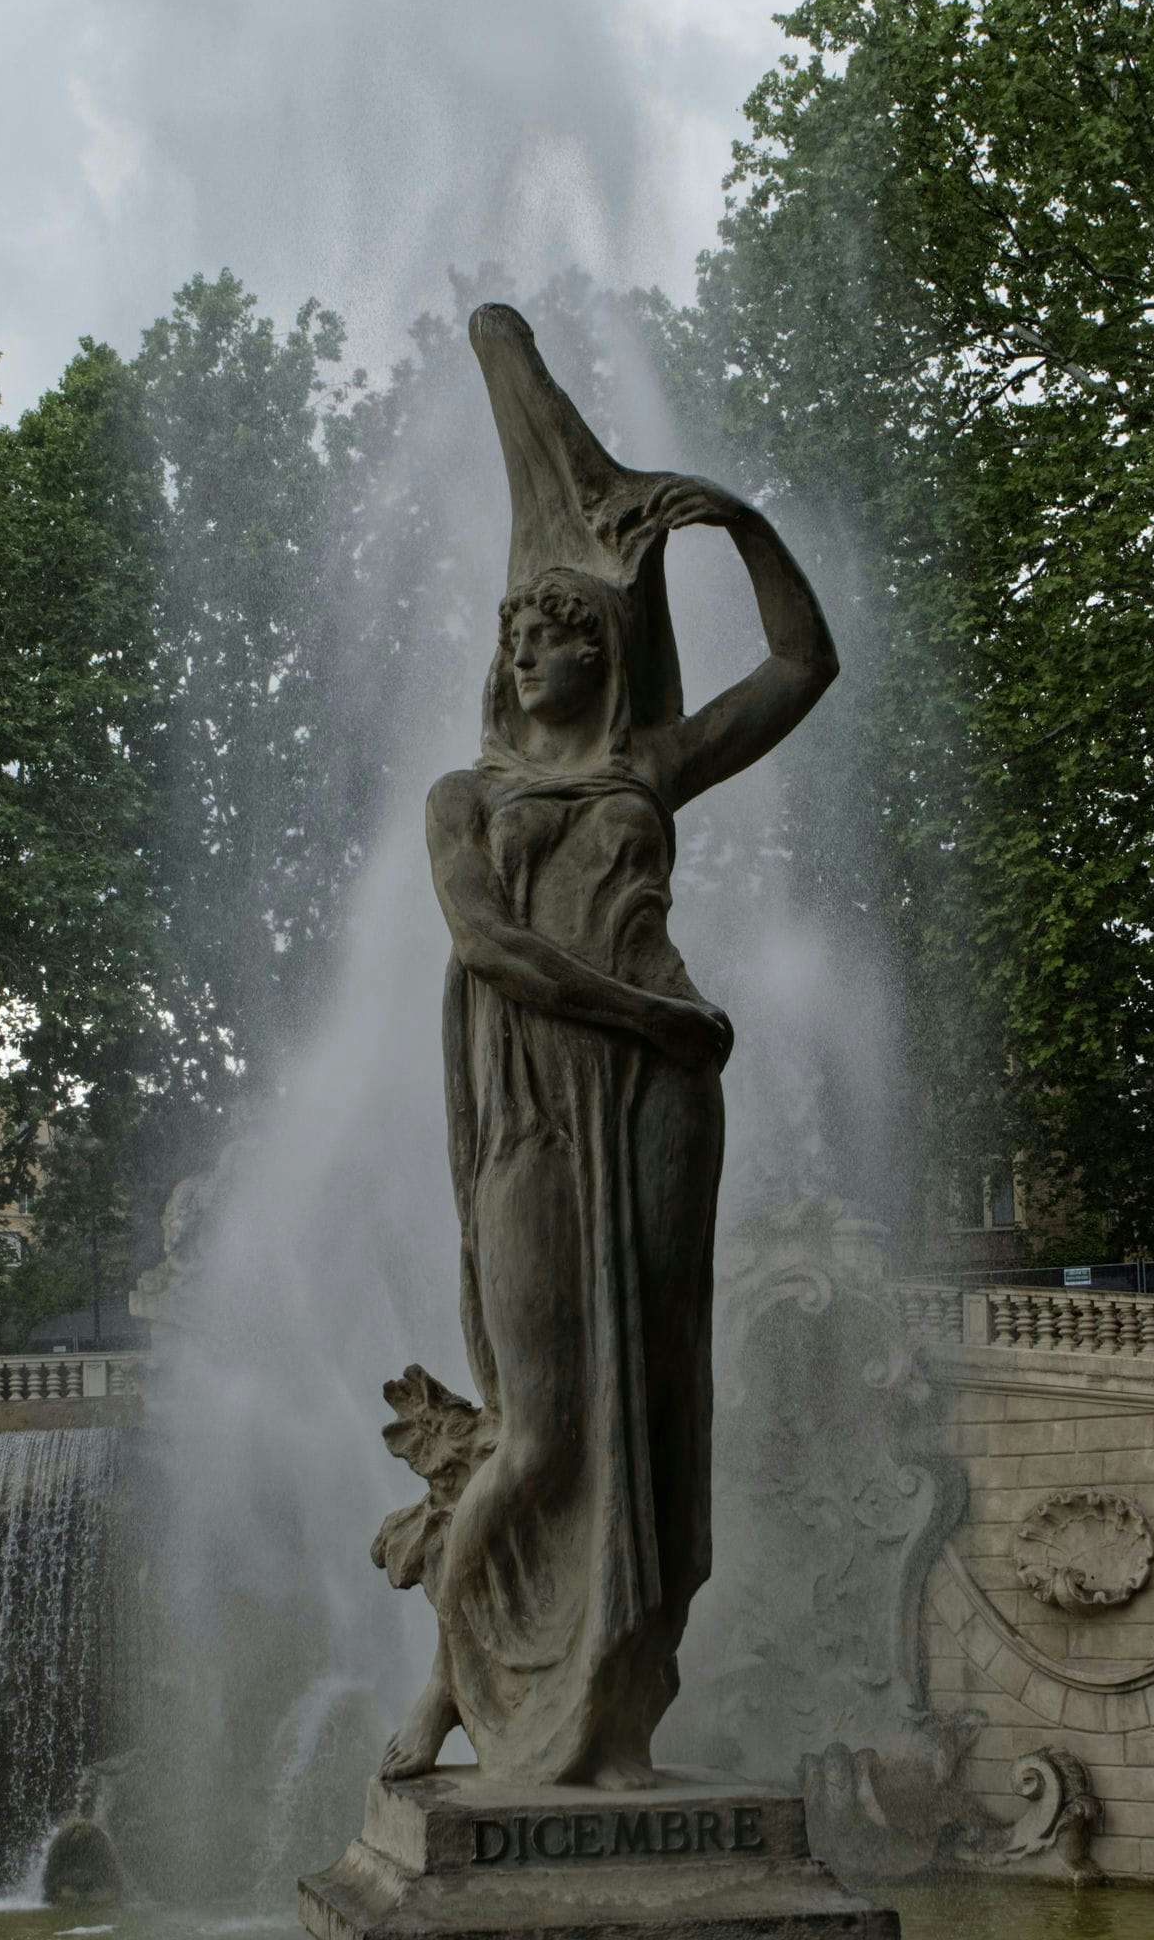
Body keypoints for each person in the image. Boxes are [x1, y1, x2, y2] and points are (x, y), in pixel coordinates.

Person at [380, 314, 838, 1791]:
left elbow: (801, 661)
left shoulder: (653, 765)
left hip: (655, 1107)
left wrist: (739, 523)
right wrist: (651, 1014)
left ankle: (620, 1710)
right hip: (548, 1099)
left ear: (606, 645)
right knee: (540, 1425)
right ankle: (451, 1689)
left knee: (652, 1406)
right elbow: (486, 949)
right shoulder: (465, 794)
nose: (535, 646)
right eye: (518, 632)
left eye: (563, 628)